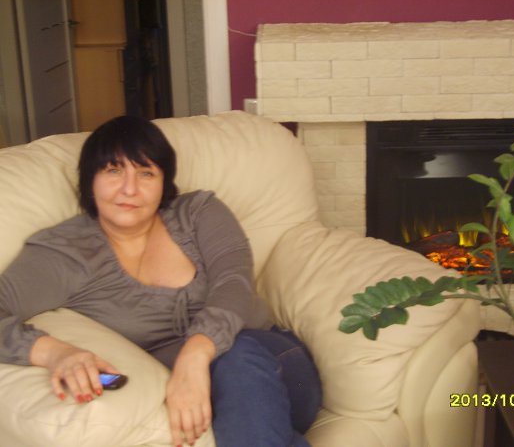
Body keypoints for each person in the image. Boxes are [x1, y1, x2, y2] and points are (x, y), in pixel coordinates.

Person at [0, 115, 321, 447]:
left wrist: (195, 356)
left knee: (238, 360)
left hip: (274, 362)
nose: (130, 189)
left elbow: (233, 283)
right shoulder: (66, 252)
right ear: (89, 179)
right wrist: (55, 353)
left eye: (146, 173)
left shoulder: (198, 213)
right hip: (213, 402)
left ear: (164, 182)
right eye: (113, 171)